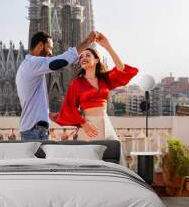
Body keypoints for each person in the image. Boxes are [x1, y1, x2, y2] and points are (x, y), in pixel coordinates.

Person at [50, 32, 138, 164]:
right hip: (88, 126)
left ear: (96, 60)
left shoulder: (104, 79)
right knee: (90, 162)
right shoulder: (77, 83)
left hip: (106, 123)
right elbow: (69, 108)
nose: (83, 58)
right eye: (81, 57)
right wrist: (84, 124)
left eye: (87, 55)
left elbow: (121, 69)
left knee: (116, 158)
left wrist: (107, 45)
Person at [16, 30, 97, 141]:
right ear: (40, 45)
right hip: (34, 131)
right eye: (50, 48)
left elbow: (33, 100)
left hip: (32, 128)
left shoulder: (26, 66)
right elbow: (60, 62)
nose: (51, 53)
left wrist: (48, 114)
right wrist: (88, 41)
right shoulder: (33, 63)